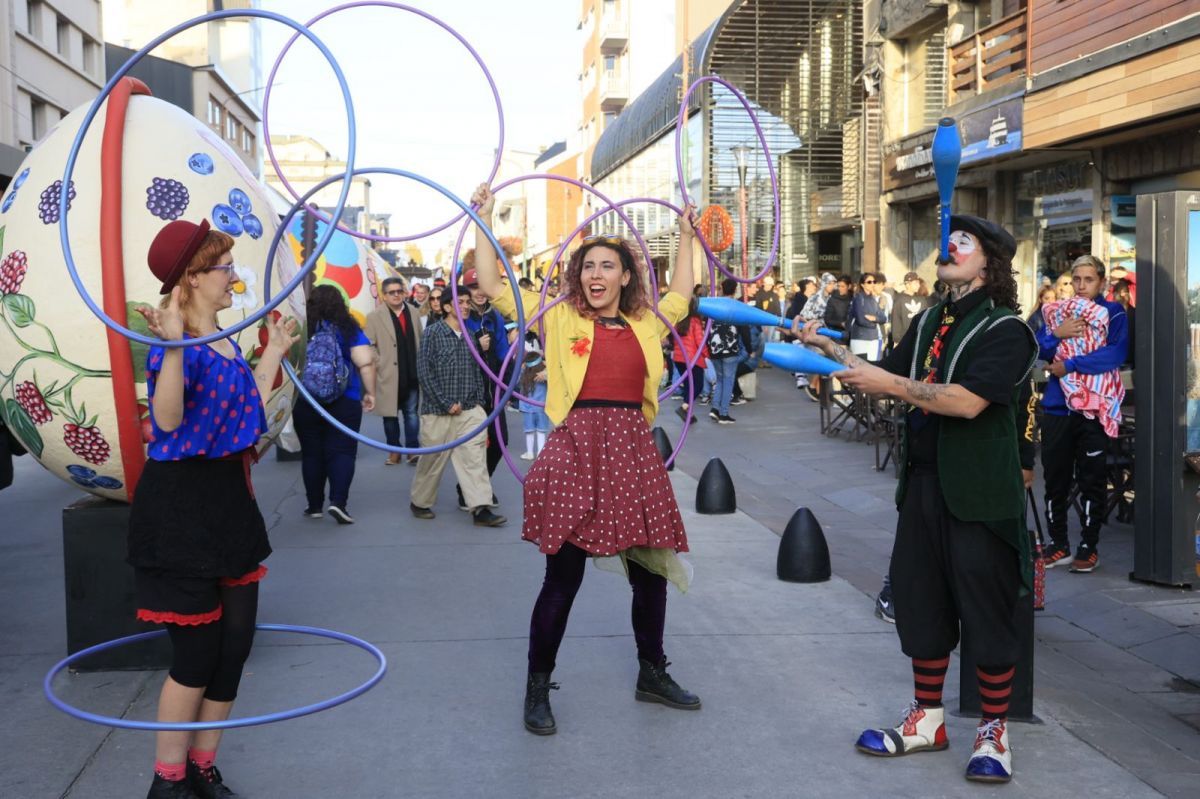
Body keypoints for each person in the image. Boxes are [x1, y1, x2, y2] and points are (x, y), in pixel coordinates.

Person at [798, 215, 1037, 784]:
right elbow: (882, 373)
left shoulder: (1007, 330)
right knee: (921, 599)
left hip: (980, 493)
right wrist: (826, 348)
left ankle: (993, 731)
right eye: (949, 240)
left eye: (965, 242)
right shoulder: (930, 320)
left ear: (989, 263)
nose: (949, 247)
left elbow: (966, 402)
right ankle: (927, 720)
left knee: (987, 607)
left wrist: (893, 386)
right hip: (925, 485)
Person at [471, 183, 701, 737]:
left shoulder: (648, 321)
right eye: (588, 266)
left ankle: (652, 672)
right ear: (579, 277)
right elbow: (490, 284)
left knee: (651, 574)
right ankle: (536, 686)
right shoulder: (557, 317)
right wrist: (481, 219)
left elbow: (683, 291)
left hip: (633, 450)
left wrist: (690, 235)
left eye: (608, 265)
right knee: (562, 578)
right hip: (577, 448)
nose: (596, 274)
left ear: (625, 276)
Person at [131, 218, 299, 799]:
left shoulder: (226, 336)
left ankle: (203, 767)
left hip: (229, 499)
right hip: (181, 506)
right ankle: (168, 780)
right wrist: (175, 345)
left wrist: (274, 351)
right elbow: (170, 419)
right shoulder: (173, 344)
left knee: (235, 645)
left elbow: (246, 411)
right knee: (197, 653)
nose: (234, 276)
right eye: (224, 267)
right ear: (193, 279)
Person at [1037, 254, 1128, 572]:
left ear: (1101, 282)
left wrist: (1071, 365)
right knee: (1054, 480)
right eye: (1076, 279)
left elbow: (1114, 354)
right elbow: (1038, 349)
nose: (1081, 285)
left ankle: (1089, 547)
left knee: (1092, 479)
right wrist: (1056, 334)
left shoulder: (1113, 312)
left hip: (1093, 409)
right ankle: (1057, 544)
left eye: (1089, 279)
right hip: (1056, 407)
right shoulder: (1058, 312)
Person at [409, 285, 507, 527]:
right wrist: (445, 403)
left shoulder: (471, 336)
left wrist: (478, 404)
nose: (464, 306)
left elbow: (477, 371)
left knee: (475, 459)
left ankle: (480, 508)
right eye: (459, 303)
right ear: (446, 307)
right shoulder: (433, 334)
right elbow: (424, 373)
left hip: (469, 410)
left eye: (466, 302)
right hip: (437, 412)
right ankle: (420, 502)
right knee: (432, 462)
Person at [292, 285, 376, 525]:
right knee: (342, 451)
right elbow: (366, 362)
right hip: (344, 400)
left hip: (306, 401)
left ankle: (314, 505)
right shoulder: (349, 329)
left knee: (311, 453)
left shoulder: (303, 328)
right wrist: (370, 393)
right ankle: (338, 502)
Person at [364, 277, 422, 466]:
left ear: (404, 292)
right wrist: (379, 362)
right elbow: (368, 345)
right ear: (384, 295)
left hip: (412, 372)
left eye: (399, 291)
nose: (396, 295)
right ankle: (394, 450)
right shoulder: (374, 316)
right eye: (392, 292)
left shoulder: (413, 312)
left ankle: (412, 451)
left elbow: (420, 340)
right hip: (388, 374)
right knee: (390, 416)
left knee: (411, 414)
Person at [706, 277, 743, 424]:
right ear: (735, 290)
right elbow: (743, 327)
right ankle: (724, 413)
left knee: (720, 380)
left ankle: (715, 409)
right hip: (730, 349)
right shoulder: (737, 306)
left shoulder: (715, 305)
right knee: (728, 381)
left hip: (715, 349)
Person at [672, 296, 709, 425]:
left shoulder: (679, 321)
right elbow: (700, 341)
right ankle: (685, 407)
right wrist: (707, 354)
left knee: (689, 385)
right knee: (698, 385)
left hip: (679, 357)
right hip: (692, 358)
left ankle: (688, 413)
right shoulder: (695, 321)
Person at [518, 336, 550, 459]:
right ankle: (540, 453)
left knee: (529, 431)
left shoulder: (524, 375)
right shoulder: (544, 375)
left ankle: (530, 452)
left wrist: (521, 369)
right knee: (541, 431)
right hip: (541, 407)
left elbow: (514, 383)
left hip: (527, 407)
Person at [890, 271, 933, 347]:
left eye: (918, 283)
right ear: (907, 284)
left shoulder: (922, 299)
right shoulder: (899, 299)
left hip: (919, 338)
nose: (918, 285)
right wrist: (896, 341)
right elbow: (896, 321)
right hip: (903, 340)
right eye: (915, 283)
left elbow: (927, 318)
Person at [848, 272, 885, 360]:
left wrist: (875, 318)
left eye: (874, 282)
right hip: (860, 338)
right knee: (859, 366)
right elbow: (860, 320)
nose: (872, 284)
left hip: (873, 339)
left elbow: (883, 318)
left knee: (872, 367)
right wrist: (874, 324)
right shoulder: (858, 298)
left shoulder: (873, 299)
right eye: (869, 282)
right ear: (862, 284)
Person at [1111, 278, 1135, 366]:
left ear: (1114, 295)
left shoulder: (1109, 314)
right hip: (1128, 362)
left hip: (1123, 361)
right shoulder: (1137, 314)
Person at [823, 274, 853, 340]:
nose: (840, 289)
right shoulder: (833, 300)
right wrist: (840, 323)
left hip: (853, 335)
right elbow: (827, 319)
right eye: (838, 286)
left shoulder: (854, 298)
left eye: (843, 286)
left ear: (849, 286)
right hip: (838, 335)